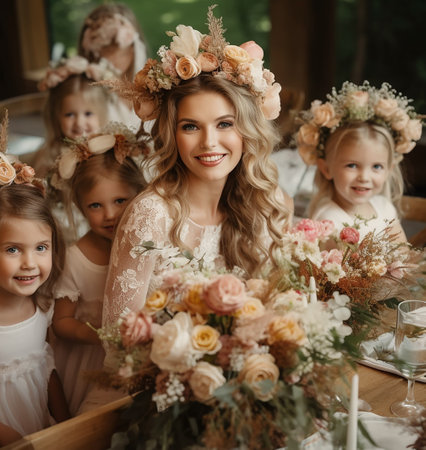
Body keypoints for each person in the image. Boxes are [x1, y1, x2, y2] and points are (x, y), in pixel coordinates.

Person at [102, 6, 293, 328]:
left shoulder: (264, 202)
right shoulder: (151, 215)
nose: (208, 142)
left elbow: (275, 310)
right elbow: (116, 334)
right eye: (190, 127)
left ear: (247, 130)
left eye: (224, 124)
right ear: (171, 135)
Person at [50, 124, 148, 416]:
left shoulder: (146, 245)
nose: (110, 215)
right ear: (80, 207)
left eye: (120, 200)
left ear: (140, 194)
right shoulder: (74, 259)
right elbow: (62, 322)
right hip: (90, 360)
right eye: (95, 205)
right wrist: (102, 336)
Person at [0, 142, 69, 447]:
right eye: (13, 249)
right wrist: (13, 441)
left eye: (41, 248)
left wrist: (66, 426)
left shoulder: (42, 305)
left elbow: (46, 368)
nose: (29, 263)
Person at [296, 81, 423, 241]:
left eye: (376, 166)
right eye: (352, 165)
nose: (364, 177)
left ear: (389, 170)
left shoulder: (384, 208)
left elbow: (403, 255)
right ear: (326, 169)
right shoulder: (328, 221)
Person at [32, 55, 116, 178]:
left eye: (88, 114)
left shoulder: (110, 149)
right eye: (69, 114)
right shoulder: (49, 157)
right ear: (56, 116)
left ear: (101, 114)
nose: (79, 123)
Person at [78, 3, 148, 130]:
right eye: (99, 57)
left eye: (116, 54)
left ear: (133, 50)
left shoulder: (151, 89)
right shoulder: (84, 95)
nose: (108, 63)